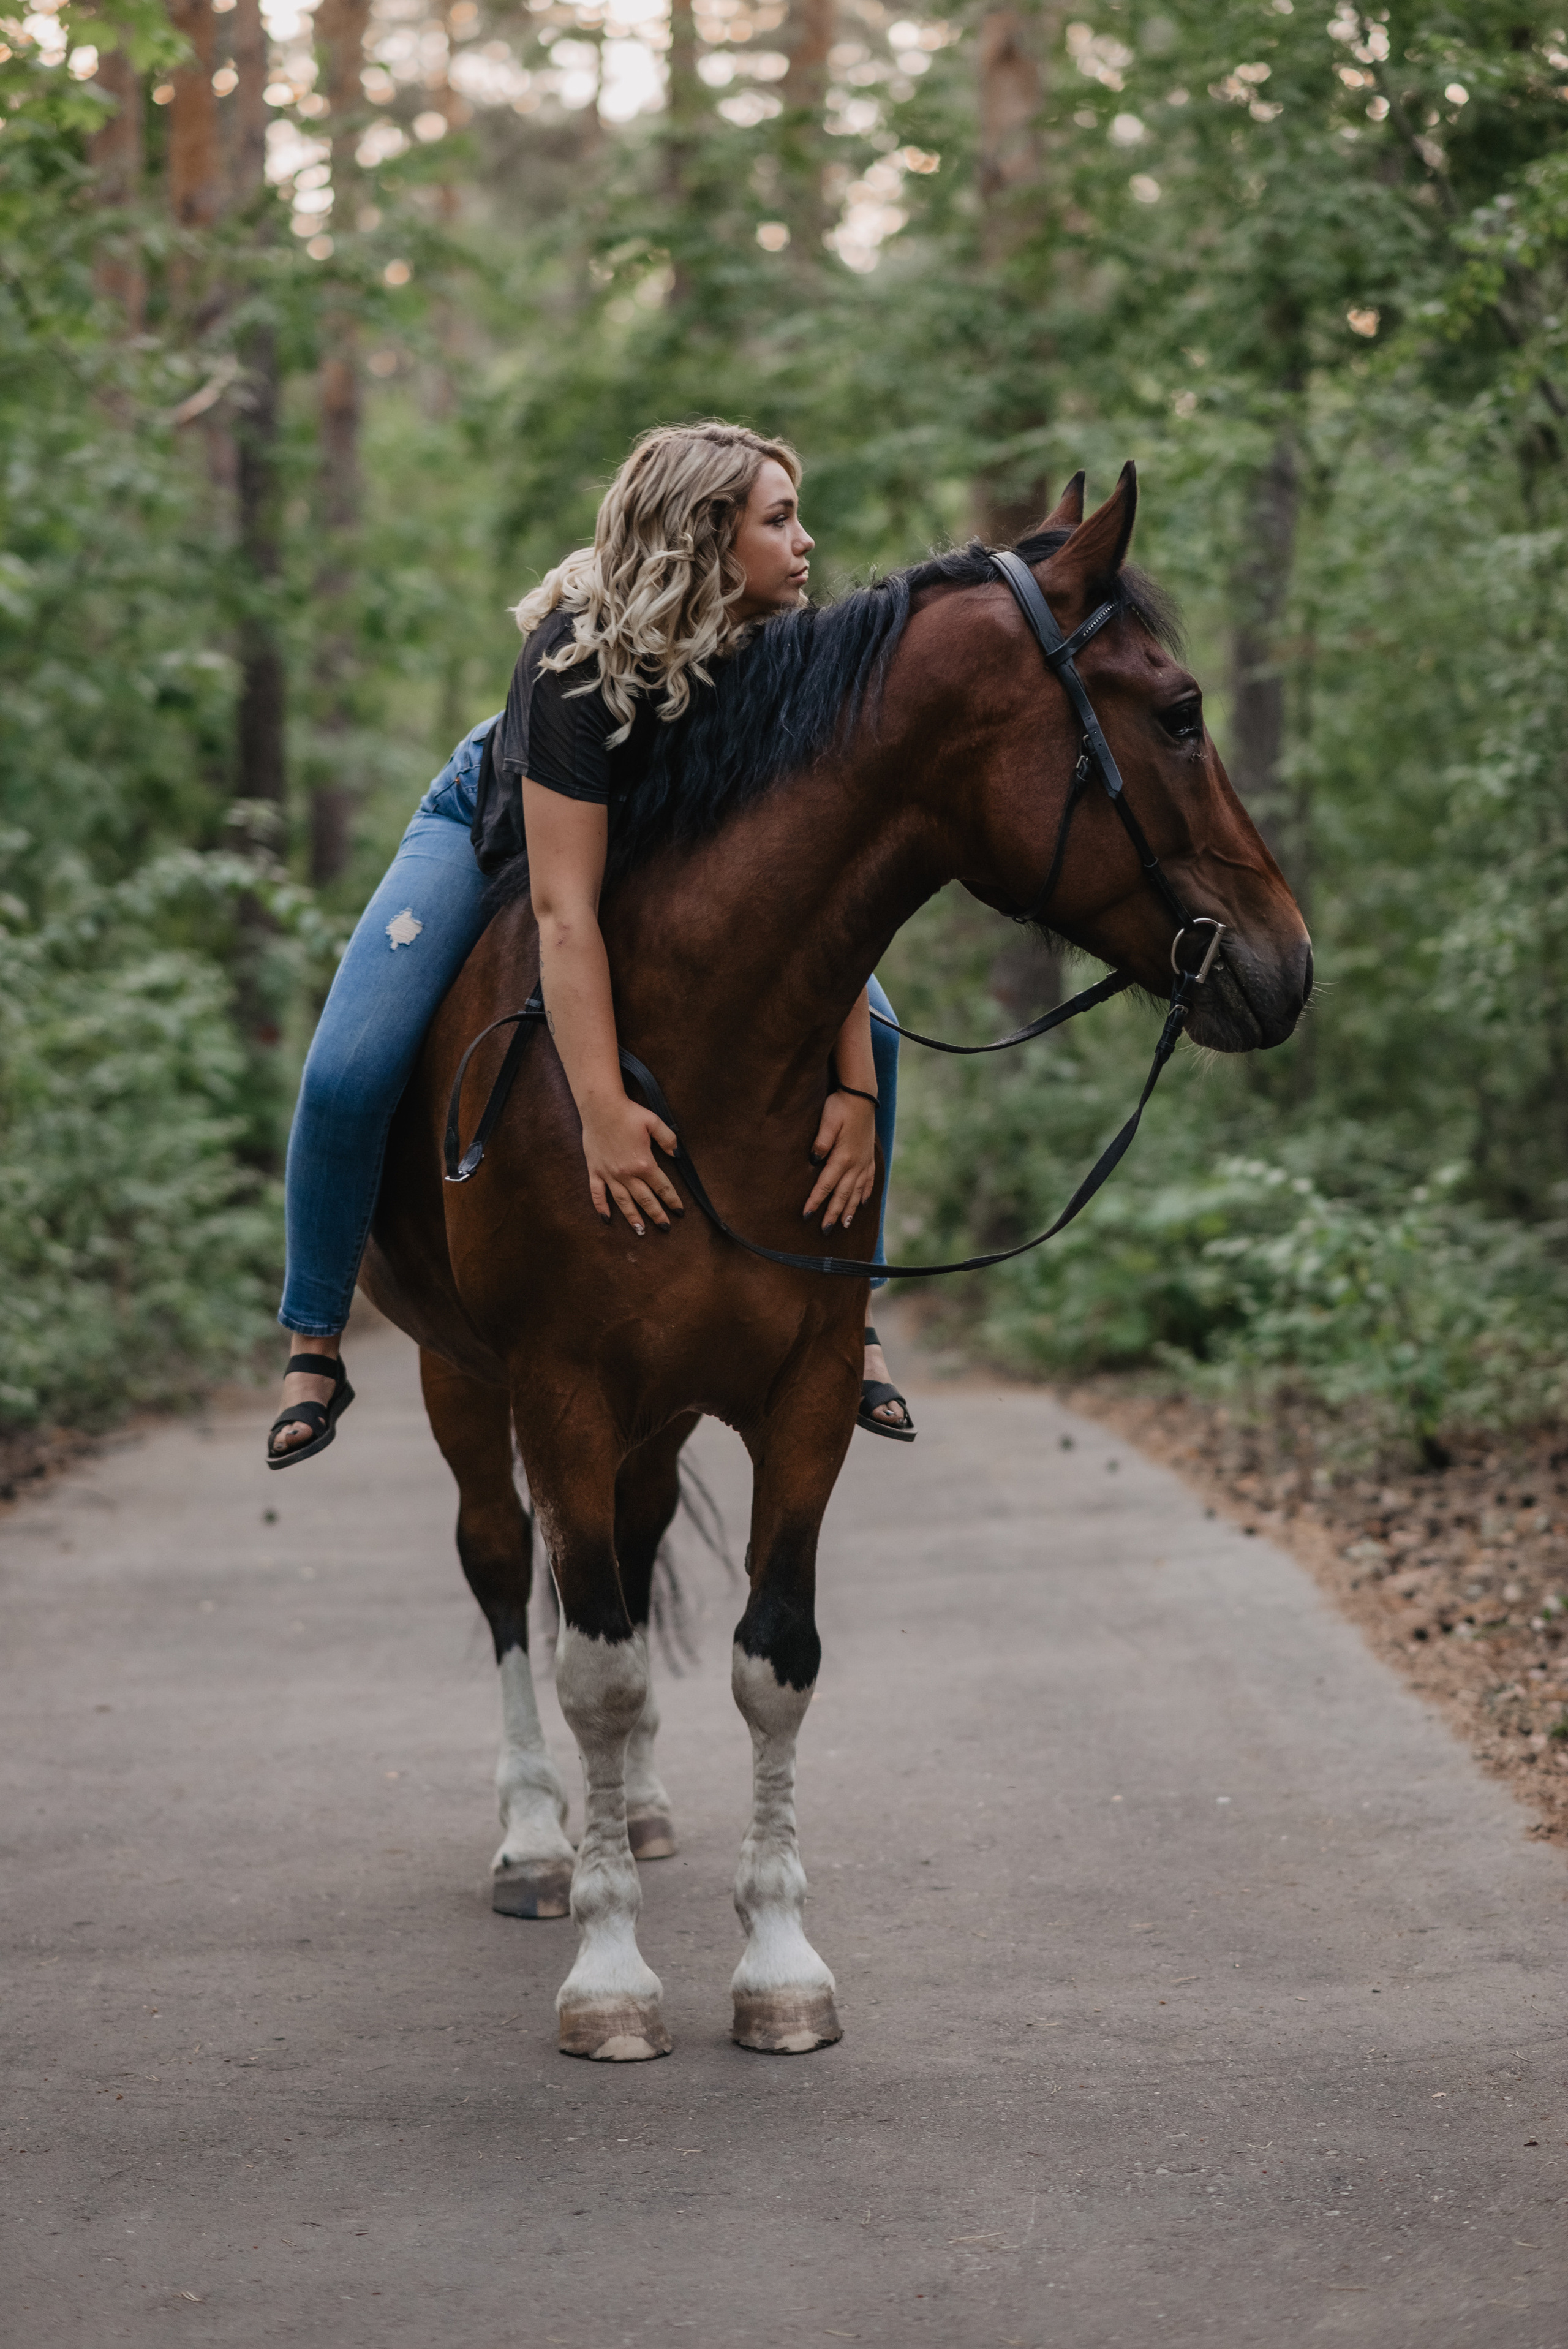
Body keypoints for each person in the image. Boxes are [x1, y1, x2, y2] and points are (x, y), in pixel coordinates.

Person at [268, 421, 914, 1468]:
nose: (806, 544)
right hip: (503, 826)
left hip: (665, 845)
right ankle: (314, 1335)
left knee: (876, 1036)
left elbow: (816, 902)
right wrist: (603, 1112)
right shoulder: (575, 657)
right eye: (781, 519)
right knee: (350, 1067)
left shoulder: (787, 656)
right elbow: (564, 912)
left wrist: (853, 1091)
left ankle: (854, 1311)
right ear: (707, 536)